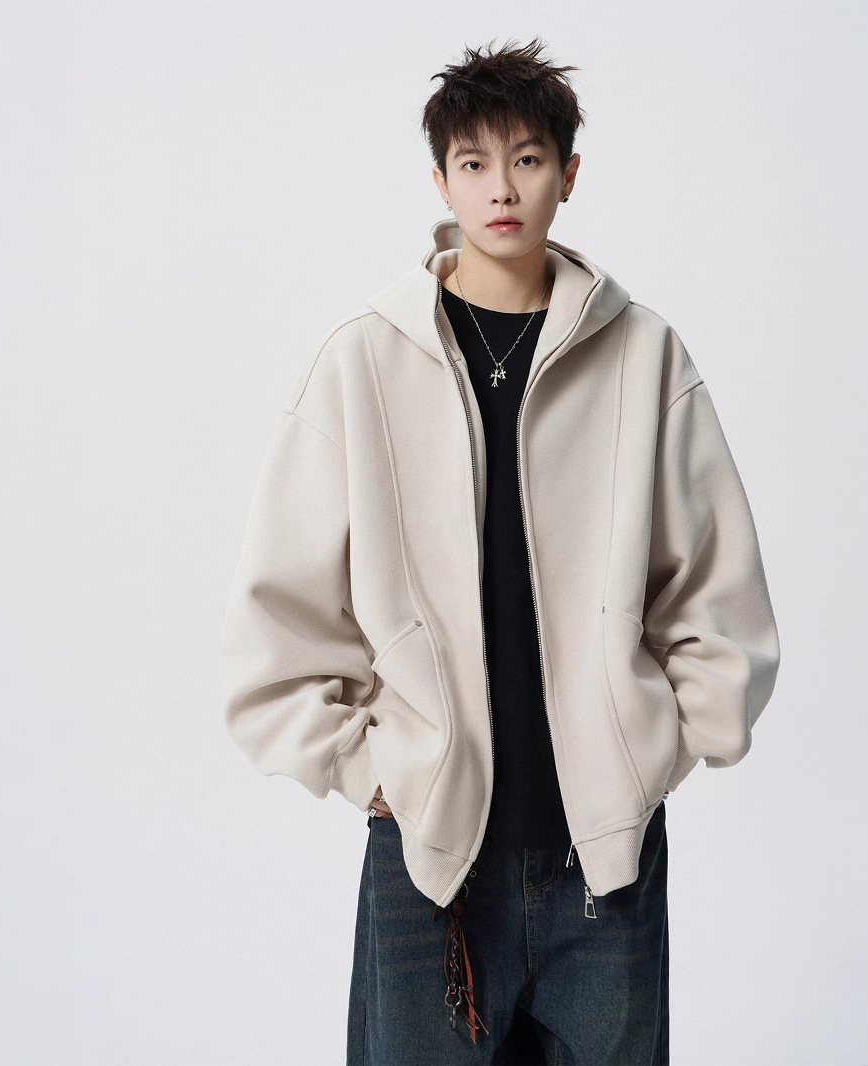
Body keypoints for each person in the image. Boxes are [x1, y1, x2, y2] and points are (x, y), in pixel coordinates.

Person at [220, 36, 780, 1066]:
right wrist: (367, 769)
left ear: (569, 172)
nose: (502, 189)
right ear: (440, 180)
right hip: (429, 859)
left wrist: (653, 754)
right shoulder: (364, 359)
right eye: (473, 163)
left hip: (602, 863)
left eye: (527, 159)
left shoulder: (644, 356)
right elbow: (279, 610)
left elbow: (716, 590)